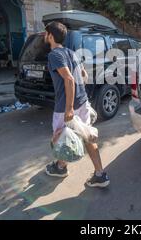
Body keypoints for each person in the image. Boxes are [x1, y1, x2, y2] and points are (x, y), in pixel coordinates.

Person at [44, 21, 110, 188]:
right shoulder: (71, 53)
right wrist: (79, 97)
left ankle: (61, 167)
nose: (44, 36)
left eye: (46, 34)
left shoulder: (54, 55)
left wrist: (69, 108)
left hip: (66, 106)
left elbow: (69, 78)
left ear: (51, 36)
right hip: (82, 102)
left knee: (60, 138)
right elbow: (83, 74)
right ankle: (100, 175)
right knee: (86, 137)